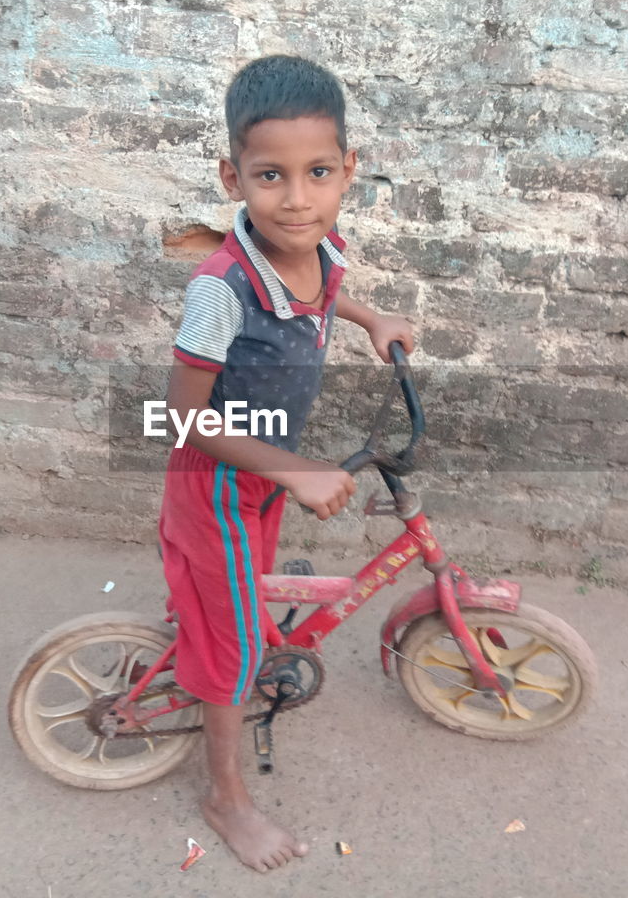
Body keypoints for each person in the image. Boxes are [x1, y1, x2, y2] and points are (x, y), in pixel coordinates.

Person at [159, 54, 414, 872]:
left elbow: (326, 291)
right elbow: (180, 417)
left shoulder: (322, 245)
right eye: (270, 176)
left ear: (349, 170)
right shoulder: (220, 289)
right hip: (222, 483)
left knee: (242, 597)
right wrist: (293, 469)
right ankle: (225, 796)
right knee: (236, 651)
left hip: (262, 479)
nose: (296, 199)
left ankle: (212, 628)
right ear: (233, 176)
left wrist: (373, 319)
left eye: (317, 173)